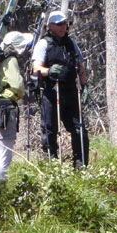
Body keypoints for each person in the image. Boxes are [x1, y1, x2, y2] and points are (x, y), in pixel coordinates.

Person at [32, 10, 89, 167]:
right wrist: (48, 71)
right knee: (50, 130)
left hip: (70, 91)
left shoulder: (71, 43)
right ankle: (53, 165)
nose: (63, 27)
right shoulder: (44, 44)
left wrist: (84, 85)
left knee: (79, 129)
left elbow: (80, 65)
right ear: (50, 26)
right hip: (51, 92)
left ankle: (81, 165)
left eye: (65, 23)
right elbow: (36, 67)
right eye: (59, 24)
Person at [0, 31, 34, 182]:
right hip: (5, 110)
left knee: (0, 154)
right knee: (4, 157)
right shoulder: (10, 59)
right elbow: (17, 86)